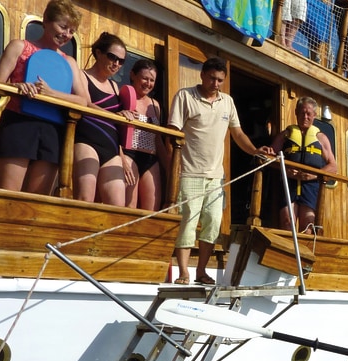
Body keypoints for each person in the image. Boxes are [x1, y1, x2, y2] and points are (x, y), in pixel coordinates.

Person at [168, 57, 274, 285]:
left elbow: (238, 134)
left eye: (220, 80)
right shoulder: (185, 96)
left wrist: (255, 150)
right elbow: (172, 131)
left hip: (216, 177)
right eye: (212, 78)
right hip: (189, 172)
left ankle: (201, 271)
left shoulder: (227, 102)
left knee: (213, 224)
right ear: (202, 75)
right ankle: (184, 272)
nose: (215, 84)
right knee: (187, 223)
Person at [0, 0, 88, 195]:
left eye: (71, 31)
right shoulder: (19, 46)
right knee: (7, 196)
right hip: (19, 122)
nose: (66, 34)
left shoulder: (69, 62)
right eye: (63, 26)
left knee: (37, 200)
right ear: (46, 21)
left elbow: (83, 101)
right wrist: (16, 87)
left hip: (53, 130)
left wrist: (51, 94)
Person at [73, 32, 128, 205]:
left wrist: (122, 156)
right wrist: (115, 116)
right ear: (98, 53)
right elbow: (86, 103)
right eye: (112, 57)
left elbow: (117, 124)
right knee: (84, 199)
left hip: (112, 147)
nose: (116, 64)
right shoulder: (82, 76)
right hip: (87, 142)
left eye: (121, 61)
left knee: (117, 206)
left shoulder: (115, 86)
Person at [271, 96, 338, 231]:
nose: (305, 117)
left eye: (308, 113)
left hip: (311, 187)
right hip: (289, 184)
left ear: (314, 115)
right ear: (296, 112)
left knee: (308, 226)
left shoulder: (321, 138)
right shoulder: (285, 135)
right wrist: (285, 169)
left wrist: (314, 175)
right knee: (287, 222)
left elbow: (333, 166)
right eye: (302, 113)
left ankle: (304, 246)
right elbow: (269, 158)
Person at [120, 59, 167, 211]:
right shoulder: (124, 96)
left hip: (150, 158)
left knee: (151, 209)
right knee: (130, 206)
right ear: (133, 75)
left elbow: (158, 139)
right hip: (129, 154)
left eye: (152, 80)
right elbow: (115, 132)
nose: (148, 83)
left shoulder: (155, 104)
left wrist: (169, 167)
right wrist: (121, 159)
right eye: (145, 78)